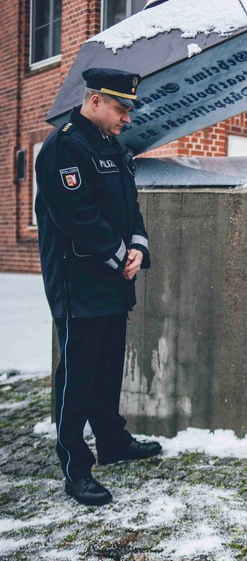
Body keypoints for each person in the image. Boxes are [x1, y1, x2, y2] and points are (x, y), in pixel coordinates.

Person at [35, 67, 162, 506]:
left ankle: (112, 441)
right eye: (121, 108)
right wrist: (117, 255)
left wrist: (138, 249)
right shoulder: (65, 145)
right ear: (94, 102)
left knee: (108, 368)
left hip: (112, 280)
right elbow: (75, 215)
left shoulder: (111, 145)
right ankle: (75, 468)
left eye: (128, 109)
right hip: (80, 284)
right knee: (78, 377)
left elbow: (131, 209)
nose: (127, 117)